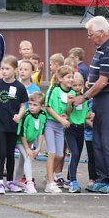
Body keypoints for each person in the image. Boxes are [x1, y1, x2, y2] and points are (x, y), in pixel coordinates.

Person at [74, 16, 109, 194]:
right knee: (98, 140)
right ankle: (103, 178)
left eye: (91, 34)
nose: (89, 38)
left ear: (101, 33)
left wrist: (84, 96)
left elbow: (103, 81)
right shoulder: (101, 49)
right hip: (102, 98)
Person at [0, 55, 28, 194]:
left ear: (15, 70)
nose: (4, 71)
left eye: (7, 68)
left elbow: (23, 105)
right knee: (1, 152)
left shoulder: (19, 87)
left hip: (12, 125)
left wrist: (20, 115)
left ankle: (10, 181)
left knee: (10, 154)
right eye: (2, 68)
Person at [44, 66, 75, 194]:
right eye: (68, 77)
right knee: (52, 152)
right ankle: (50, 183)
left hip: (59, 126)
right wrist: (60, 119)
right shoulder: (54, 89)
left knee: (60, 155)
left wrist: (66, 112)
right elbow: (48, 107)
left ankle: (49, 176)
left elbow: (69, 111)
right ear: (60, 78)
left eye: (72, 77)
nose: (71, 79)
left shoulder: (72, 92)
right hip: (50, 124)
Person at [65, 72, 88, 193]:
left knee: (78, 154)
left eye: (80, 85)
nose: (78, 87)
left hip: (81, 128)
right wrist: (70, 103)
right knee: (74, 153)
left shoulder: (84, 97)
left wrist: (90, 116)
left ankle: (69, 178)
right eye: (75, 85)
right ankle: (74, 181)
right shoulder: (71, 95)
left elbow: (85, 113)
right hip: (71, 129)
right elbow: (68, 112)